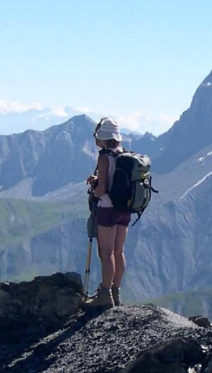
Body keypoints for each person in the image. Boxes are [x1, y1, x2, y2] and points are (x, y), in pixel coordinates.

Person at [84, 117, 131, 310]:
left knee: (106, 252)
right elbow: (115, 178)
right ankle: (115, 291)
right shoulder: (123, 154)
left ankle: (104, 294)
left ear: (103, 137)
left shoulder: (103, 157)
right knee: (119, 251)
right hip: (124, 209)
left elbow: (102, 189)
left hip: (108, 209)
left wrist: (94, 190)